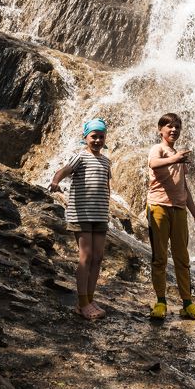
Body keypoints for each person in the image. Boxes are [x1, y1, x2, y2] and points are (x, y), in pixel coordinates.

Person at [147, 112, 195, 320]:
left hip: (179, 209)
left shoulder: (178, 156)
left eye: (177, 127)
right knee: (160, 258)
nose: (174, 130)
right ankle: (161, 302)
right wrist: (176, 158)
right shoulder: (159, 149)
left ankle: (187, 303)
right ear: (160, 130)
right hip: (158, 207)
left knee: (182, 258)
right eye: (169, 127)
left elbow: (184, 188)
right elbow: (153, 164)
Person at [49, 118, 111, 321]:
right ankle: (82, 302)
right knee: (85, 257)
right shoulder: (81, 157)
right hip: (82, 214)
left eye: (101, 136)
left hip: (100, 215)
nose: (97, 140)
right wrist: (56, 181)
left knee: (98, 257)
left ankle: (89, 299)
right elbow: (64, 170)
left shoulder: (106, 161)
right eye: (94, 136)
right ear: (85, 137)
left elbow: (105, 187)